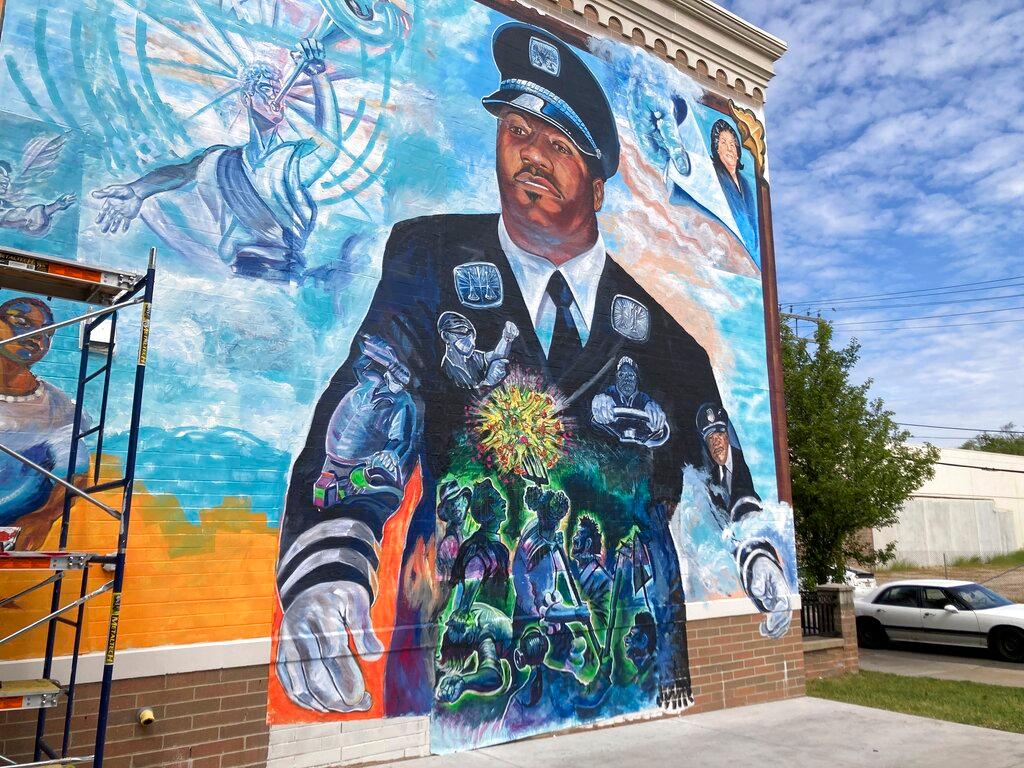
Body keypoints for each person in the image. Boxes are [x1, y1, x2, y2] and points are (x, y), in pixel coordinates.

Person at [276, 21, 775, 718]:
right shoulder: (430, 259)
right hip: (459, 662)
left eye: (559, 143)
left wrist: (758, 549)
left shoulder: (666, 338)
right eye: (519, 132)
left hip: (625, 661)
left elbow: (721, 458)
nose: (532, 154)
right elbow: (375, 393)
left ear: (598, 186)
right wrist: (329, 563)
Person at [91, 38, 340, 281]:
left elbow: (329, 145)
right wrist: (138, 190)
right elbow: (183, 173)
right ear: (247, 98)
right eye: (266, 89)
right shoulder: (221, 159)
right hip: (239, 277)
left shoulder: (290, 159)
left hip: (285, 276)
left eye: (278, 91)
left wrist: (318, 76)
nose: (276, 98)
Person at [0, 297, 88, 549]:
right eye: (21, 322)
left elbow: (75, 472)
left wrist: (45, 516)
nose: (36, 335)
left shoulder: (59, 407)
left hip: (9, 531)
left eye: (47, 331)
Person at [696, 402, 758, 519]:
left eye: (719, 434)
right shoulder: (712, 477)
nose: (716, 442)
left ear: (727, 436)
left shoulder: (747, 462)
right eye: (710, 438)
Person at [437, 311, 519, 391]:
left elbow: (496, 356)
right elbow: (462, 396)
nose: (468, 338)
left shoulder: (473, 357)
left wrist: (506, 339)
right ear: (445, 336)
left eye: (470, 333)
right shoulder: (447, 369)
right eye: (461, 331)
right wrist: (488, 384)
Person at [709, 119, 757, 254]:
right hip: (725, 249)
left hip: (751, 252)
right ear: (717, 149)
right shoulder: (714, 175)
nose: (729, 148)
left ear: (738, 152)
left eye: (732, 144)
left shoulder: (746, 184)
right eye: (723, 143)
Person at [0, 161, 76, 236]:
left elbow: (27, 217)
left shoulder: (5, 206)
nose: (6, 181)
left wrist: (56, 205)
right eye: (2, 176)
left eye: (6, 177)